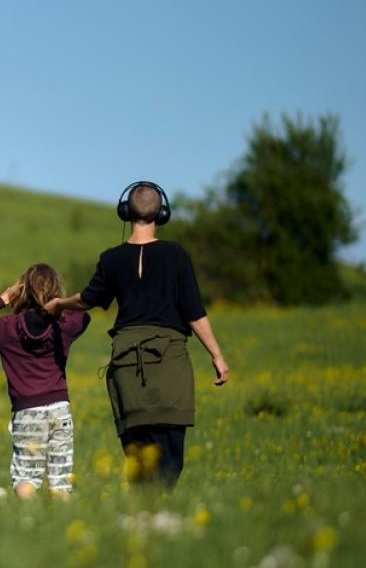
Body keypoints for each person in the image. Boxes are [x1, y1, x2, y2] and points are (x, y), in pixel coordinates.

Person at [46, 181, 229, 491]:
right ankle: (157, 520)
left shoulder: (111, 259)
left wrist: (59, 303)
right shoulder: (176, 254)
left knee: (138, 460)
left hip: (126, 367)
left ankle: (140, 521)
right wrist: (217, 355)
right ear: (162, 213)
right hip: (169, 364)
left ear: (125, 212)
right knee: (170, 460)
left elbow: (87, 299)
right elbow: (194, 312)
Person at [0, 263, 89, 500]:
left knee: (26, 478)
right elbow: (85, 315)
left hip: (27, 411)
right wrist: (61, 304)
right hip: (60, 408)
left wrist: (4, 298)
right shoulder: (64, 325)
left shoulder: (7, 327)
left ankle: (28, 522)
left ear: (22, 291)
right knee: (61, 480)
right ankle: (59, 528)